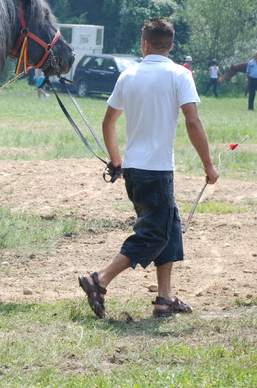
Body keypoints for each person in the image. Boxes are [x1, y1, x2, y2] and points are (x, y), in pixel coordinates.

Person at [78, 18, 219, 319]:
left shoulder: (128, 75)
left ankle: (164, 299)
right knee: (154, 234)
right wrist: (208, 165)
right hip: (157, 171)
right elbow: (193, 122)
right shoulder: (180, 74)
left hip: (134, 171)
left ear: (144, 44)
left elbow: (108, 122)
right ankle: (99, 280)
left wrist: (117, 160)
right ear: (171, 45)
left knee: (169, 228)